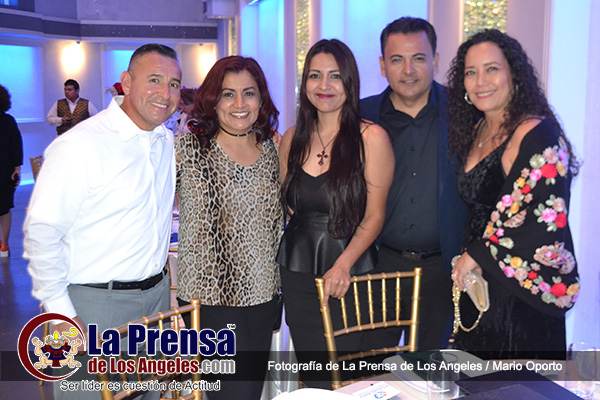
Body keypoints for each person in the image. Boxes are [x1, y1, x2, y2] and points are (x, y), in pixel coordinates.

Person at [25, 43, 181, 399]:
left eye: (173, 84)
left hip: (154, 303)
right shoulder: (82, 145)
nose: (165, 93)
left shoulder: (165, 141)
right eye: (154, 80)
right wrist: (61, 313)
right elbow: (41, 232)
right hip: (94, 305)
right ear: (126, 81)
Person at [447, 29, 580, 359]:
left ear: (514, 75)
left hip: (520, 299)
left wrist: (479, 254)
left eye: (492, 69)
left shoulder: (538, 135)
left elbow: (543, 223)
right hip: (479, 286)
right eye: (471, 72)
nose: (481, 81)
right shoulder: (477, 129)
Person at [277, 39, 394, 387]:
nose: (324, 85)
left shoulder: (371, 138)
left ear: (349, 82)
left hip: (349, 269)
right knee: (312, 369)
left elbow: (374, 217)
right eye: (315, 76)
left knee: (347, 374)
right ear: (305, 84)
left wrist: (343, 265)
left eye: (335, 76)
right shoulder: (292, 138)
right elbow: (289, 205)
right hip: (296, 267)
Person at [176, 56, 281, 400]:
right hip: (209, 298)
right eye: (227, 94)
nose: (239, 104)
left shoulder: (274, 150)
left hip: (262, 295)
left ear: (261, 99)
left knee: (249, 392)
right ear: (212, 99)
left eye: (249, 93)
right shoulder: (187, 150)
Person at [359, 17, 468, 351]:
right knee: (370, 368)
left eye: (418, 58)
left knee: (430, 370)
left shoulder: (465, 113)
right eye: (397, 59)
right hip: (378, 268)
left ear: (436, 60)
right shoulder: (360, 116)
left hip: (442, 271)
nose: (408, 70)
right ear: (382, 65)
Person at [0, 84, 23, 258]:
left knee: (4, 208)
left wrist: (16, 168)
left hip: (5, 170)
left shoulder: (8, 121)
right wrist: (16, 168)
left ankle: (3, 244)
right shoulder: (8, 121)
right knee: (5, 209)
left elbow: (16, 145)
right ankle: (4, 245)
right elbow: (16, 145)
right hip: (5, 170)